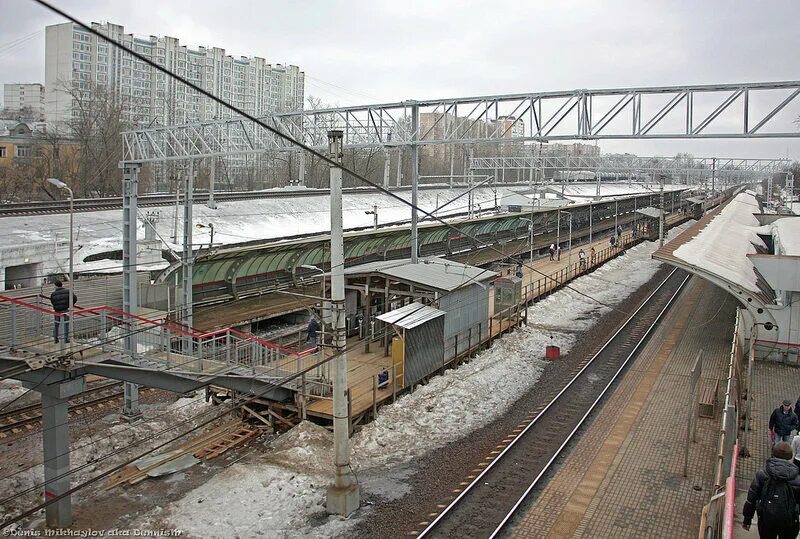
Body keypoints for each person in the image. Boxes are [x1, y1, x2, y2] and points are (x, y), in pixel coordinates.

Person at [742, 442, 800, 537]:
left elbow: (751, 500)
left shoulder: (762, 475)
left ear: (773, 453)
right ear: (790, 456)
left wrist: (747, 520)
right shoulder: (797, 479)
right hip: (789, 522)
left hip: (766, 520)